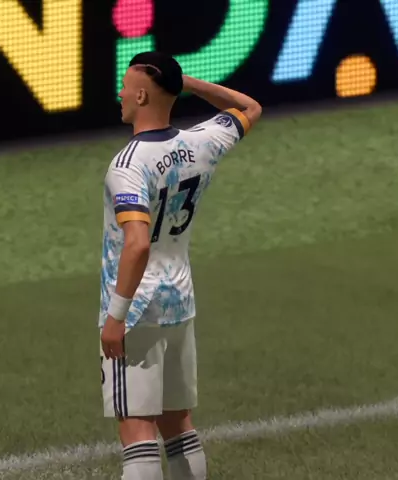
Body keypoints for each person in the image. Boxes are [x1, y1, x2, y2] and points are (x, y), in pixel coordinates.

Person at [99, 51, 263, 480]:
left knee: (137, 430)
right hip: (179, 301)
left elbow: (137, 244)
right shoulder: (201, 142)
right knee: (178, 425)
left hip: (137, 311)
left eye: (125, 86)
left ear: (141, 96)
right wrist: (184, 83)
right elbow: (249, 107)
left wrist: (116, 316)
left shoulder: (127, 165)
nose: (120, 94)